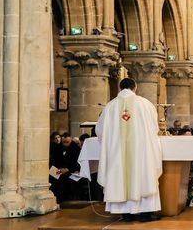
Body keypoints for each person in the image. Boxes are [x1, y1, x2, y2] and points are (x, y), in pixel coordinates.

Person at [94, 78, 163, 222]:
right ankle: (145, 214)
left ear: (120, 88)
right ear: (135, 87)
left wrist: (111, 144)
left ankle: (125, 214)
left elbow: (99, 131)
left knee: (119, 176)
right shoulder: (145, 104)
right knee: (143, 175)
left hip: (117, 153)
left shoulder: (110, 106)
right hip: (141, 151)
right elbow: (154, 128)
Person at [49, 132, 82, 203]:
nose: (65, 144)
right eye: (64, 142)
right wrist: (57, 169)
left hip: (71, 172)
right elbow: (55, 160)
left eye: (67, 142)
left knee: (70, 183)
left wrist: (67, 169)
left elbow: (77, 162)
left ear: (71, 141)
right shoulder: (58, 147)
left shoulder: (75, 149)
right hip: (59, 172)